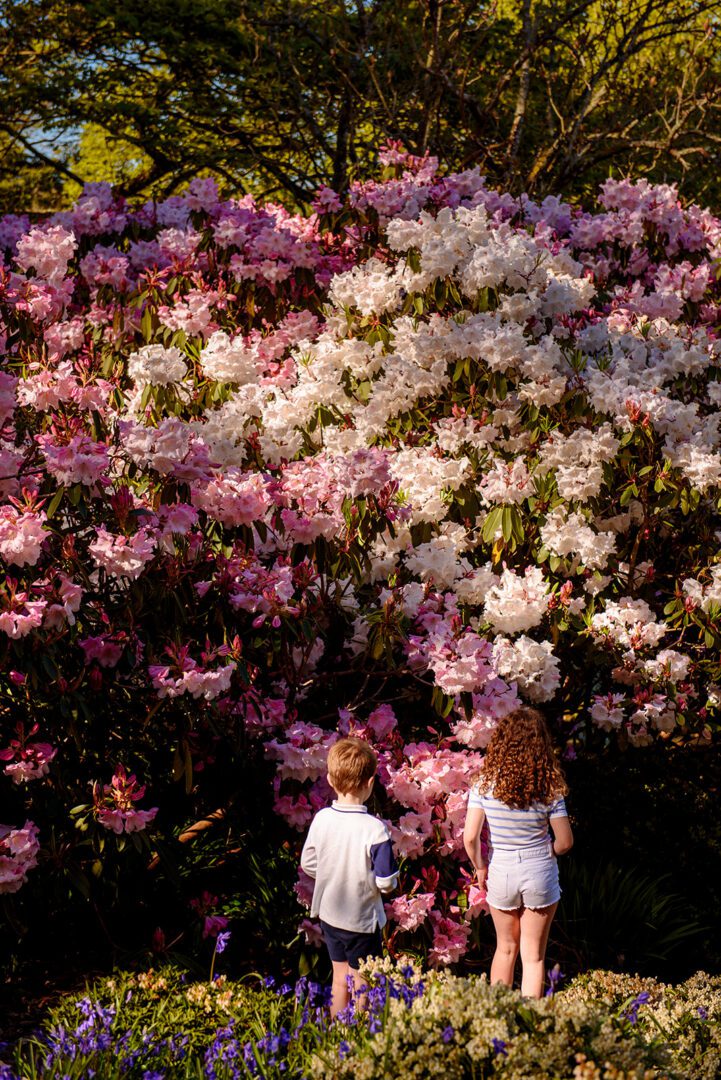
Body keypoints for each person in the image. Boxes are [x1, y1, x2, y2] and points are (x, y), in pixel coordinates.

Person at [463, 706, 573, 998]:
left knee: (505, 948)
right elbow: (564, 842)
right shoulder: (549, 786)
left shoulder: (483, 784)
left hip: (502, 869)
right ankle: (530, 1028)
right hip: (539, 868)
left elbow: (470, 836)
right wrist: (544, 850)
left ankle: (499, 1019)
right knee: (534, 957)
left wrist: (480, 867)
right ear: (540, 744)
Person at [300, 736, 399, 1017]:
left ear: (331, 781)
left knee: (339, 973)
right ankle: (357, 1032)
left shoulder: (321, 819)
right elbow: (385, 882)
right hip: (361, 921)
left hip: (330, 914)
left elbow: (308, 863)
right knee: (361, 977)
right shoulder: (374, 830)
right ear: (370, 783)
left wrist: (332, 873)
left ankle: (337, 1031)